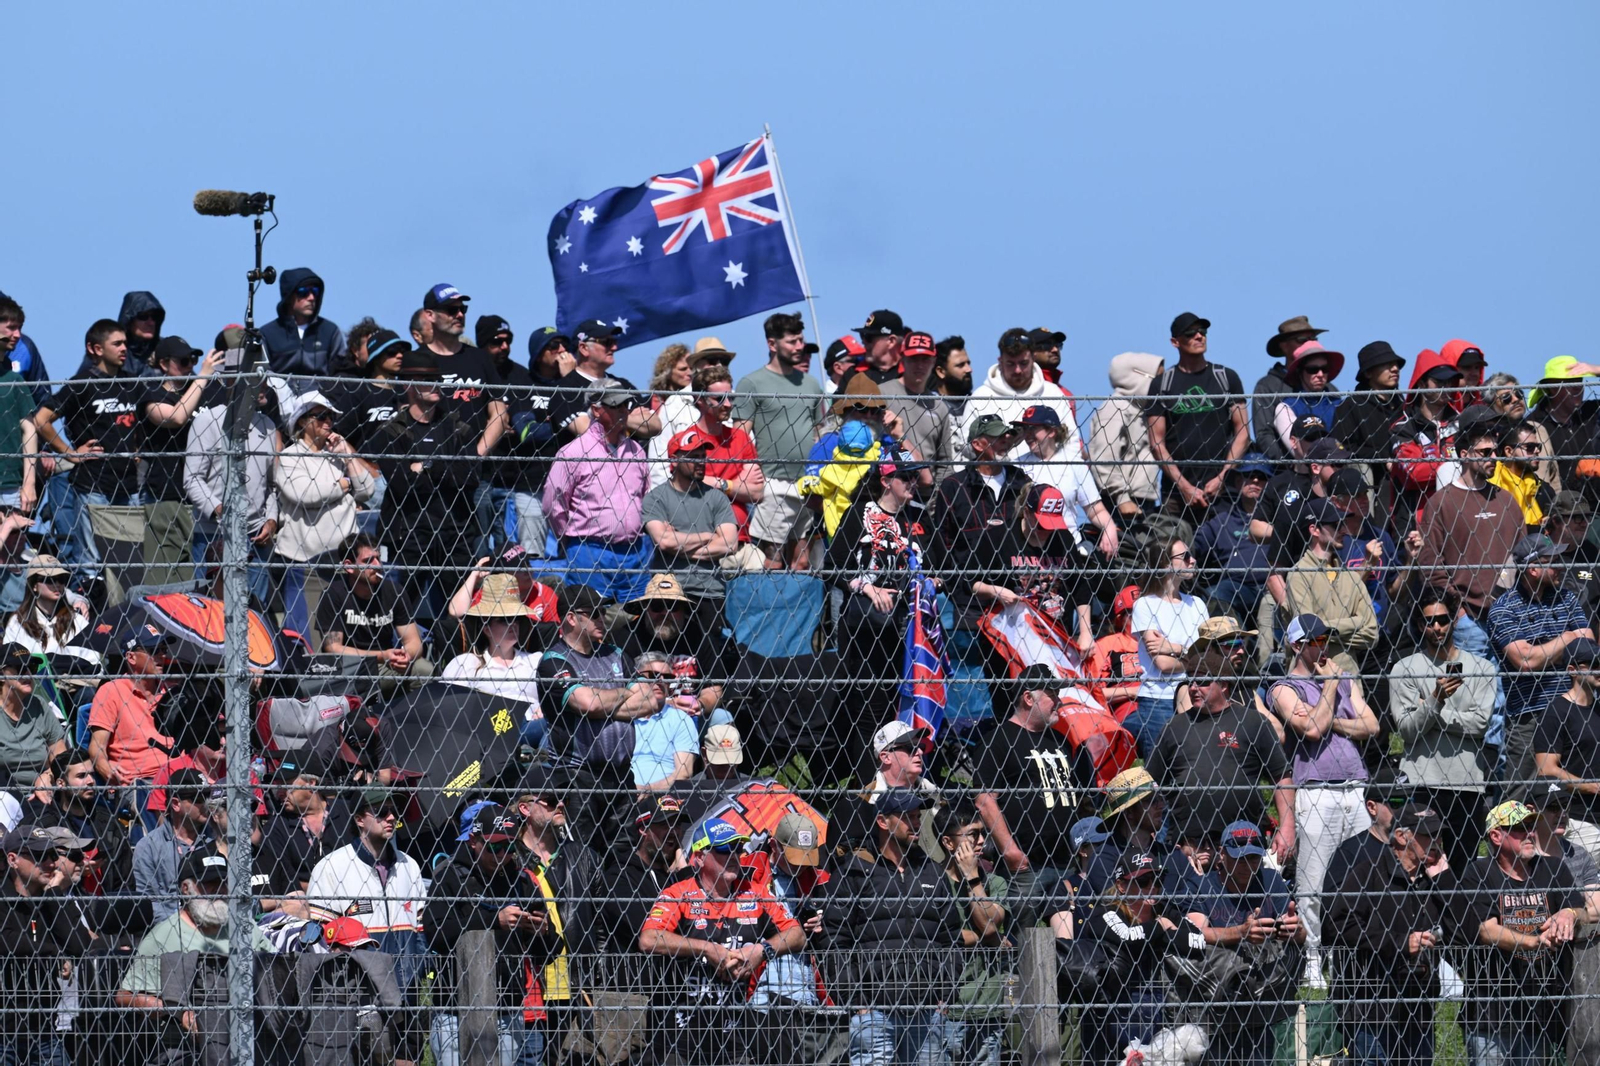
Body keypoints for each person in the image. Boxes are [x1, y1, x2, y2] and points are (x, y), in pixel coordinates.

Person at [1266, 613, 1380, 988]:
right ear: (1296, 646)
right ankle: (1313, 958)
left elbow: (1372, 725)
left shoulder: (1344, 678)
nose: (1324, 647)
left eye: (1326, 639)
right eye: (1316, 641)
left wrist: (1331, 717)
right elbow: (1311, 729)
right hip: (1315, 790)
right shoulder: (1284, 688)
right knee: (1312, 881)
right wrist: (1330, 689)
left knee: (1362, 877)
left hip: (1356, 787)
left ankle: (1351, 954)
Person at [637, 817, 805, 1065]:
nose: (734, 855)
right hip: (680, 1038)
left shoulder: (755, 892)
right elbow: (648, 939)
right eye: (724, 849)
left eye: (737, 848)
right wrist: (706, 949)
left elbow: (797, 935)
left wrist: (761, 950)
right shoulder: (679, 893)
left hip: (735, 1038)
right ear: (700, 856)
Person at [828, 788, 963, 1066]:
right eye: (907, 817)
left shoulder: (932, 872)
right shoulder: (855, 872)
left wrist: (945, 994)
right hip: (873, 1010)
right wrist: (855, 1000)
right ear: (882, 821)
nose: (916, 823)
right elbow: (834, 938)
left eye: (917, 817)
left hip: (927, 1010)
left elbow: (952, 938)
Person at [1452, 801, 1582, 1066]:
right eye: (1520, 828)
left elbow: (1583, 909)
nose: (1530, 833)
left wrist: (1569, 912)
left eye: (1532, 826)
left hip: (1541, 1012)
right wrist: (1534, 942)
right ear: (1496, 836)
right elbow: (1487, 930)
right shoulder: (1478, 873)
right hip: (1491, 1013)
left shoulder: (1553, 868)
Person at [306, 784, 429, 1061]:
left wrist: (416, 971)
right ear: (360, 819)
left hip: (406, 994)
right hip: (357, 1001)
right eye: (381, 811)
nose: (391, 817)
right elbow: (319, 942)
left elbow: (420, 931)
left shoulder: (409, 866)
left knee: (407, 1060)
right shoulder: (332, 867)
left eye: (394, 811)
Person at [425, 802, 552, 1066]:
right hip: (454, 1009)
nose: (502, 855)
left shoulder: (521, 881)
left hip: (506, 1008)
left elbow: (548, 953)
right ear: (474, 841)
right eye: (494, 847)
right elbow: (436, 933)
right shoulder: (450, 876)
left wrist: (541, 933)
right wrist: (495, 920)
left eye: (509, 847)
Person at [1324, 803, 1451, 1066]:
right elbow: (1337, 925)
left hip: (1418, 1008)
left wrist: (1446, 881)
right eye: (1428, 835)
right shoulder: (1368, 874)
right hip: (1373, 1008)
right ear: (1402, 837)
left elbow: (1464, 928)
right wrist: (1400, 943)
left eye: (1439, 835)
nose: (1437, 842)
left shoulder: (1435, 879)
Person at [1147, 643, 1296, 861]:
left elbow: (1281, 776)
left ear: (1224, 685)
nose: (1193, 688)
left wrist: (1287, 827)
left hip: (1244, 844)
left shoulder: (1252, 722)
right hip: (1189, 845)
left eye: (1203, 681)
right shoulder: (1174, 727)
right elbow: (1151, 783)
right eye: (1190, 681)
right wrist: (1149, 830)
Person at [825, 455, 930, 759]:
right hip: (868, 625)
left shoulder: (920, 517)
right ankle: (870, 779)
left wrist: (926, 583)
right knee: (872, 709)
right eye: (904, 477)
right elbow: (831, 567)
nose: (912, 482)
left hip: (912, 626)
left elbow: (942, 569)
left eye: (915, 476)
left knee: (905, 706)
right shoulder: (860, 513)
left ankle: (903, 772)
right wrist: (867, 588)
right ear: (885, 481)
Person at [29, 319, 147, 587]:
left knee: (131, 562)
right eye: (116, 343)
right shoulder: (82, 384)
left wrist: (139, 448)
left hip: (129, 485)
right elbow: (41, 420)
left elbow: (143, 421)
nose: (124, 348)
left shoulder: (132, 383)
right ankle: (90, 608)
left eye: (125, 343)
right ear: (96, 349)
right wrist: (70, 453)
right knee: (91, 563)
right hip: (94, 485)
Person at [371, 346, 485, 619]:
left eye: (437, 378)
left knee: (459, 615)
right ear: (409, 385)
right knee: (398, 611)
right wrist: (446, 468)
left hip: (454, 534)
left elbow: (470, 478)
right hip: (408, 536)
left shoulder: (458, 428)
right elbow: (403, 486)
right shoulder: (390, 432)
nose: (436, 385)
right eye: (427, 379)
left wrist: (426, 466)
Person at [1178, 821, 1304, 1066]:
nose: (1247, 865)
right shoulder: (1201, 885)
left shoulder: (1270, 880)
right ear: (1222, 854)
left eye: (1254, 858)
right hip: (1214, 1000)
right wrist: (1241, 932)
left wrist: (1295, 930)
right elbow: (1196, 932)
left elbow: (1299, 932)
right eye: (1240, 858)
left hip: (1260, 998)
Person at [1390, 588, 1497, 874]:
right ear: (1419, 624)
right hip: (1422, 781)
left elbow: (1480, 725)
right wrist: (1437, 698)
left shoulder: (1482, 668)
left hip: (1467, 783)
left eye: (1442, 620)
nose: (1437, 627)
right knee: (1420, 866)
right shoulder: (1404, 669)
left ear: (1453, 621)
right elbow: (1408, 730)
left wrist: (1430, 707)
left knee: (1463, 870)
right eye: (1429, 621)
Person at [972, 664, 1096, 901]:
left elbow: (1078, 796)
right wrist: (1010, 852)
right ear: (1028, 698)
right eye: (1052, 694)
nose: (1059, 701)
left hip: (1067, 860)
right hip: (1026, 864)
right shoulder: (997, 741)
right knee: (1024, 923)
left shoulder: (1060, 740)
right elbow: (985, 801)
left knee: (1071, 922)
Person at [1489, 534, 1595, 796]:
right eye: (1553, 561)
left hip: (1571, 708)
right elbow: (1525, 661)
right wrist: (1567, 638)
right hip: (1529, 714)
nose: (1562, 566)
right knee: (1521, 793)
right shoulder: (1503, 609)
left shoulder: (1567, 598)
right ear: (1533, 569)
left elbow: (1587, 647)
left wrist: (1543, 651)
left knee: (1574, 785)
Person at [273, 391, 378, 637]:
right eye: (320, 416)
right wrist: (345, 484)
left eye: (331, 416)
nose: (328, 421)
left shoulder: (337, 456)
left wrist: (347, 455)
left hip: (343, 561)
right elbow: (306, 495)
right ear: (302, 421)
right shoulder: (289, 457)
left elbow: (367, 490)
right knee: (305, 630)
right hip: (303, 562)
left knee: (342, 629)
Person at [1419, 419, 1526, 655]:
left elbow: (1523, 555)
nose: (1494, 457)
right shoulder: (1441, 503)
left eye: (1495, 451)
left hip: (1511, 617)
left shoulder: (1507, 501)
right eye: (1485, 452)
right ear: (1465, 454)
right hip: (1468, 621)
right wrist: (1458, 611)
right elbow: (1430, 564)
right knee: (1471, 679)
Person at [543, 380, 653, 604]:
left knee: (639, 617)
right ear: (595, 409)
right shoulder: (573, 452)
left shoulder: (636, 451)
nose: (624, 411)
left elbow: (646, 495)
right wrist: (570, 539)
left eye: (625, 405)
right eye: (616, 405)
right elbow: (553, 503)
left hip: (635, 553)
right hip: (589, 551)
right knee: (591, 616)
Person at [0, 821, 97, 1066]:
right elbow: (7, 940)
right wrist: (53, 952)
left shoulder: (50, 900)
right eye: (39, 856)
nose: (51, 863)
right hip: (3, 1033)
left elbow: (80, 946)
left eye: (53, 856)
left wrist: (54, 893)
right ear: (12, 859)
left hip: (43, 1030)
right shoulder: (2, 897)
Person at [417, 284, 511, 536]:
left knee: (479, 546)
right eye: (451, 309)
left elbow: (499, 413)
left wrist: (476, 456)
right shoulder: (419, 360)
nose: (459, 314)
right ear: (430, 315)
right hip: (431, 475)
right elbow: (407, 413)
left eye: (463, 309)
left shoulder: (479, 358)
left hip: (477, 477)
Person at [536, 583, 661, 770]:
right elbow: (589, 704)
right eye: (594, 613)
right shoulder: (553, 661)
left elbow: (650, 700)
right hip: (574, 773)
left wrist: (600, 710)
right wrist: (626, 692)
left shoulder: (615, 653)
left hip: (621, 774)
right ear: (571, 618)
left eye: (603, 612)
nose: (602, 618)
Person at [733, 313, 826, 561]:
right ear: (772, 344)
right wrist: (750, 474)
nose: (799, 347)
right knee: (772, 560)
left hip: (808, 482)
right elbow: (740, 435)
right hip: (772, 481)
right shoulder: (751, 383)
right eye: (792, 341)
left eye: (801, 340)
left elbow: (819, 432)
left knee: (802, 562)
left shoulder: (812, 384)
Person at [931, 413, 1033, 633]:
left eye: (1006, 436)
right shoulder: (953, 486)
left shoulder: (1021, 481)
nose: (1004, 441)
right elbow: (942, 544)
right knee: (969, 655)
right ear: (977, 444)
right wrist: (957, 589)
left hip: (1016, 597)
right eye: (996, 437)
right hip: (968, 602)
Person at [184, 377, 280, 607]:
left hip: (257, 537)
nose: (265, 386)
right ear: (234, 383)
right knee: (211, 610)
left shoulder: (268, 425)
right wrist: (220, 509)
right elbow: (192, 479)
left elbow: (271, 484)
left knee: (255, 612)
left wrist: (271, 519)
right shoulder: (208, 420)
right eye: (257, 380)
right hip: (214, 536)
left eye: (265, 380)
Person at [1144, 312, 1249, 521]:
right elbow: (1156, 443)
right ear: (1175, 342)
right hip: (1176, 493)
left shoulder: (1226, 378)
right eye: (1190, 333)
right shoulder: (1162, 385)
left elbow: (1243, 432)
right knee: (1173, 542)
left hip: (1223, 492)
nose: (1199, 336)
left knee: (1226, 541)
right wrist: (1184, 486)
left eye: (1202, 331)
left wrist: (1222, 477)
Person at [932, 800, 1014, 1066]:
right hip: (942, 1008)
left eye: (982, 833)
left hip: (984, 1009)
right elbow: (939, 938)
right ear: (948, 842)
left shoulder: (995, 882)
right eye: (972, 834)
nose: (981, 841)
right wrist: (987, 939)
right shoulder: (930, 883)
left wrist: (972, 878)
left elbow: (989, 925)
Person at [1124, 534, 1206, 758]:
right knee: (1161, 765)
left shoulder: (1197, 604)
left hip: (1195, 695)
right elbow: (1163, 664)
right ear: (1165, 563)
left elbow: (1208, 657)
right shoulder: (1145, 605)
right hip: (1159, 700)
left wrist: (1174, 648)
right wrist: (1192, 653)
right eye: (1185, 556)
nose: (1192, 560)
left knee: (1195, 761)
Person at [85, 624, 173, 831]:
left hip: (178, 775)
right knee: (158, 803)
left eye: (163, 650)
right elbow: (96, 748)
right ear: (131, 657)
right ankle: (171, 846)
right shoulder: (111, 691)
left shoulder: (172, 691)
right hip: (139, 781)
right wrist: (108, 770)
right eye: (153, 650)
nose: (161, 656)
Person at [619, 572, 737, 721]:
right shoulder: (626, 637)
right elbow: (619, 689)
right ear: (645, 608)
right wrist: (665, 704)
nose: (665, 613)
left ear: (683, 610)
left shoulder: (700, 636)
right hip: (642, 716)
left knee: (722, 716)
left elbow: (714, 688)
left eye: (672, 606)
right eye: (657, 606)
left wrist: (700, 704)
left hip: (690, 715)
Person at [677, 363, 764, 564]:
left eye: (730, 397)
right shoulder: (686, 441)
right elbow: (687, 489)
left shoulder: (741, 438)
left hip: (742, 540)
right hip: (707, 542)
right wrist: (737, 484)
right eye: (719, 398)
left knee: (759, 567)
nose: (727, 404)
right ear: (700, 400)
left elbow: (757, 493)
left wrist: (719, 483)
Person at [1283, 498, 1381, 674]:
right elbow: (1308, 633)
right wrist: (1355, 622)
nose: (1343, 530)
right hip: (1313, 679)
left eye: (1343, 524)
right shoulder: (1298, 574)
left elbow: (1371, 635)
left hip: (1349, 680)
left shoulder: (1350, 576)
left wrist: (1325, 629)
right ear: (1314, 530)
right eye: (1336, 525)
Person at [642, 427, 740, 604]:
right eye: (694, 457)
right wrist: (708, 536)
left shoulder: (716, 497)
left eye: (703, 456)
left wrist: (679, 547)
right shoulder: (655, 498)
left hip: (710, 591)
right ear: (674, 460)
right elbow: (665, 541)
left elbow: (730, 544)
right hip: (668, 590)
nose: (701, 462)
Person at [317, 533, 431, 683]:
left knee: (425, 669)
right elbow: (333, 648)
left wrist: (406, 656)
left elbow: (413, 641)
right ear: (349, 566)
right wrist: (381, 656)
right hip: (351, 667)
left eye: (378, 558)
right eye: (368, 560)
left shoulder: (394, 591)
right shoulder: (333, 594)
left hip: (388, 663)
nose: (377, 565)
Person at [964, 326, 1083, 461]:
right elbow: (966, 448)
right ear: (1000, 361)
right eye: (1010, 364)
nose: (1018, 370)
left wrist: (1059, 472)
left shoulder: (1053, 393)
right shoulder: (981, 397)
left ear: (1033, 359)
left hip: (1051, 473)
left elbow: (1071, 443)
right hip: (998, 473)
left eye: (1023, 363)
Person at [1013, 405, 1119, 556]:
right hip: (1027, 551)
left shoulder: (1074, 464)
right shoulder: (1016, 466)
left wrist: (1110, 529)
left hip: (1067, 549)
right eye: (1025, 429)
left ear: (1052, 431)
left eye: (1033, 428)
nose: (1027, 435)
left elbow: (1096, 510)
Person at [506, 328, 576, 556]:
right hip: (532, 485)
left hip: (572, 486)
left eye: (564, 345)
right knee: (532, 555)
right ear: (538, 353)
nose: (562, 350)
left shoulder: (576, 383)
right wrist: (565, 422)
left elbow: (588, 428)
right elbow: (527, 432)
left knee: (576, 554)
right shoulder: (522, 383)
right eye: (553, 345)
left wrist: (570, 380)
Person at [439, 572, 543, 722]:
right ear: (486, 628)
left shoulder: (536, 661)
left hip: (534, 728)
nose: (513, 624)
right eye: (505, 619)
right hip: (486, 730)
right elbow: (448, 707)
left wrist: (546, 709)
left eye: (517, 618)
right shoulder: (467, 664)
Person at [1533, 637, 1600, 861]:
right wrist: (1592, 786)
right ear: (1572, 670)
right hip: (1579, 819)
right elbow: (1546, 769)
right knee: (1583, 879)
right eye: (1593, 664)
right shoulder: (1556, 712)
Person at [1389, 349, 1466, 534]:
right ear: (1422, 384)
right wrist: (1455, 465)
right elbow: (1414, 473)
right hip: (1415, 522)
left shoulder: (1462, 422)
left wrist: (1437, 465)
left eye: (1450, 382)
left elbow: (1476, 463)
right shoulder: (1403, 427)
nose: (1446, 387)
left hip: (1460, 518)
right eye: (1439, 382)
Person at [1192, 454, 1273, 617]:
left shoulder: (1280, 518)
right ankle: (1235, 634)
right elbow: (1194, 544)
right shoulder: (1222, 521)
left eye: (1261, 477)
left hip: (1272, 585)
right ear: (1238, 482)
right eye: (1249, 475)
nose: (1255, 481)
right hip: (1236, 587)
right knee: (1215, 594)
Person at [1087, 352, 1163, 525]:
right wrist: (1122, 498)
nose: (1162, 385)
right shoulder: (1115, 408)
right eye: (1158, 378)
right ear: (1139, 378)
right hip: (1122, 503)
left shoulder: (1142, 410)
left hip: (1143, 498)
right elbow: (1104, 457)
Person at [130, 767, 215, 922]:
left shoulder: (216, 839)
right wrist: (181, 925)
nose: (206, 803)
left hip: (216, 922)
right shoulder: (149, 847)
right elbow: (149, 903)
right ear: (176, 804)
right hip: (170, 928)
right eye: (199, 798)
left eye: (208, 796)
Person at [879, 330, 960, 489]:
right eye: (914, 359)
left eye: (925, 359)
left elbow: (944, 463)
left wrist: (938, 498)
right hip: (888, 489)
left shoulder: (939, 406)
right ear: (902, 359)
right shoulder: (881, 393)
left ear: (934, 361)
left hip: (926, 494)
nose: (920, 365)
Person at [1332, 341, 1408, 494]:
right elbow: (1342, 448)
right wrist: (1382, 458)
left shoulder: (1405, 407)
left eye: (1396, 364)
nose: (1395, 369)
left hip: (1405, 479)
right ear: (1368, 373)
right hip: (1370, 483)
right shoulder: (1351, 405)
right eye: (1386, 364)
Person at [1253, 316, 1329, 462]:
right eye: (1302, 340)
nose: (1310, 343)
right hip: (1286, 468)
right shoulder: (1267, 386)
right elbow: (1264, 434)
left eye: (1313, 339)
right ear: (1284, 346)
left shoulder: (1328, 388)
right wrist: (1291, 465)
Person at [629, 650, 701, 791]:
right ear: (637, 677)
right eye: (654, 675)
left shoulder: (680, 719)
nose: (661, 681)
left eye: (667, 677)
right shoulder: (622, 717)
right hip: (620, 793)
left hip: (664, 796)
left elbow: (684, 773)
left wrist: (647, 790)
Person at [1528, 355, 1600, 491]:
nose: (1578, 387)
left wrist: (1597, 370)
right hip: (1561, 501)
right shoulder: (1534, 426)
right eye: (1570, 382)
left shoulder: (1590, 412)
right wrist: (1577, 469)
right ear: (1553, 387)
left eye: (1579, 380)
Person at [260, 266, 347, 377]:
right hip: (278, 387)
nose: (311, 298)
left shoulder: (330, 332)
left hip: (320, 388)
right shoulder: (268, 334)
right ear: (289, 297)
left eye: (315, 291)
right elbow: (260, 375)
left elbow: (341, 372)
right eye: (303, 292)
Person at [0, 641, 63, 792]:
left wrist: (48, 776)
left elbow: (61, 756)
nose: (27, 673)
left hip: (43, 791)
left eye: (31, 667)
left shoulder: (39, 705)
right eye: (20, 668)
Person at [1084, 584, 1147, 722]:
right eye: (1134, 613)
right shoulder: (1106, 645)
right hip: (1129, 712)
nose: (1142, 618)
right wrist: (1131, 691)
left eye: (1146, 611)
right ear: (1120, 619)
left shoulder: (1162, 641)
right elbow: (1091, 692)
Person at [3, 556, 87, 656]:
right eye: (50, 579)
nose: (57, 584)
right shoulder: (17, 622)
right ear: (34, 585)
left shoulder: (77, 620)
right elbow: (10, 660)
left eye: (61, 579)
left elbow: (93, 660)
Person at [1271, 340, 1344, 453]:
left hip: (1341, 461)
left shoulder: (1340, 404)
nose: (1320, 374)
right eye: (1312, 370)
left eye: (1325, 369)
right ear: (1300, 372)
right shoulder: (1286, 408)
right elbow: (1298, 451)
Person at [1490, 419, 1555, 529]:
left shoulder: (1544, 490)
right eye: (1530, 447)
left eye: (1538, 446)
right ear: (1509, 451)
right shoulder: (1490, 488)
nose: (1537, 451)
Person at [111, 290, 166, 377]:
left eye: (155, 317)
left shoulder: (167, 349)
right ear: (129, 320)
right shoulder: (110, 349)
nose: (151, 323)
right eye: (143, 316)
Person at [933, 335, 973, 414]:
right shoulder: (929, 406)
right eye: (960, 365)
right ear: (941, 372)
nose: (969, 369)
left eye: (968, 363)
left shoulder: (978, 404)